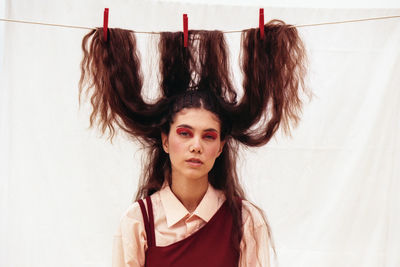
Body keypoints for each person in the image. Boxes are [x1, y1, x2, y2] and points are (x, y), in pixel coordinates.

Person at [79, 20, 310, 267]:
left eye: (208, 136)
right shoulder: (139, 220)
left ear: (220, 147)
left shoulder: (245, 220)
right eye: (185, 133)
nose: (196, 146)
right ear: (166, 141)